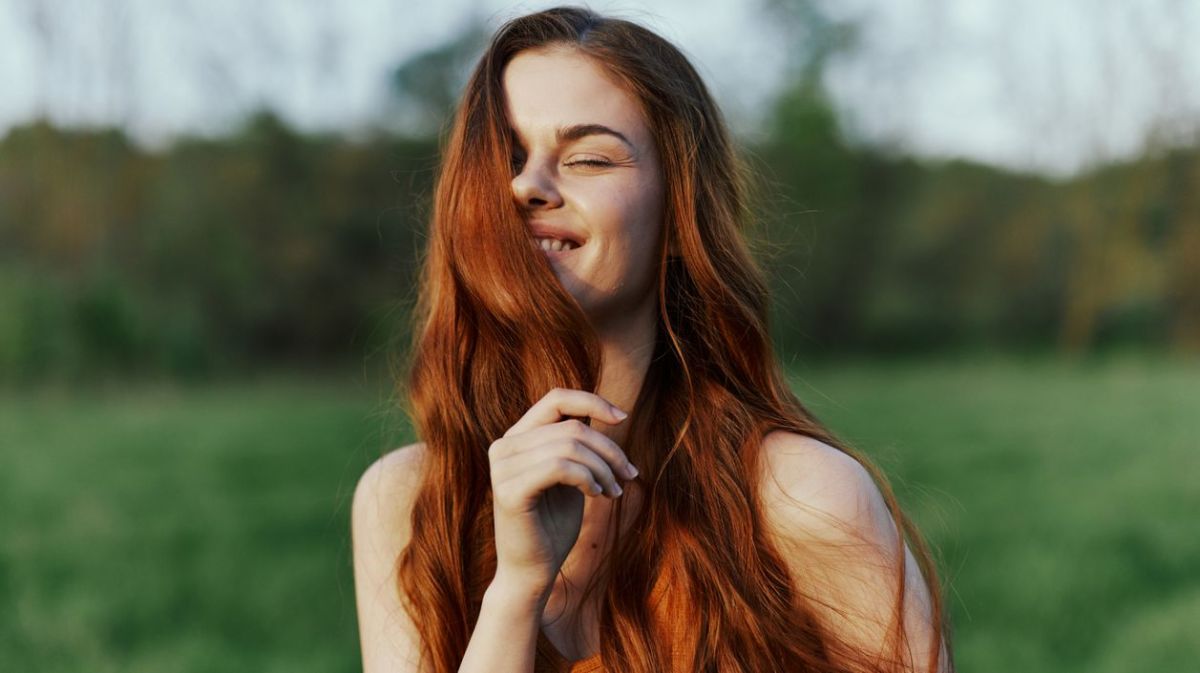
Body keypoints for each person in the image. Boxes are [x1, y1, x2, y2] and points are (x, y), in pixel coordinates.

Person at [352, 6, 954, 672]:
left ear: (678, 212)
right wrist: (516, 592)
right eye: (506, 156)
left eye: (588, 157)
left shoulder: (801, 497)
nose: (527, 185)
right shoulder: (406, 501)